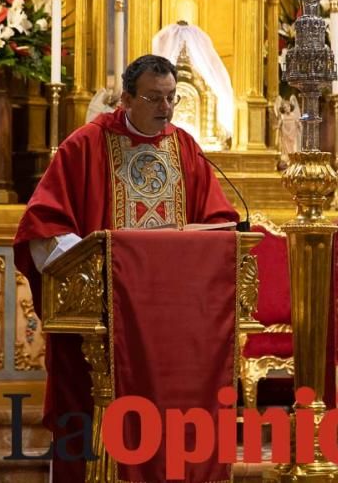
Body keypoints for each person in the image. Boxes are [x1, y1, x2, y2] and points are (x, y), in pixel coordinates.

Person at [14, 54, 240, 482]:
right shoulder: (85, 145)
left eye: (171, 98)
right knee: (87, 408)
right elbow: (43, 226)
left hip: (172, 321)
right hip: (105, 318)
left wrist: (201, 235)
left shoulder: (185, 148)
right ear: (125, 99)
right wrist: (94, 268)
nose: (166, 108)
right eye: (154, 98)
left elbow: (218, 222)